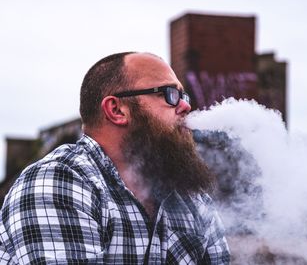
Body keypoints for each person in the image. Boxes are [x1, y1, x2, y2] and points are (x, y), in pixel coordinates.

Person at [0, 52, 230, 264]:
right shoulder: (58, 182)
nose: (186, 106)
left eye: (184, 95)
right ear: (117, 110)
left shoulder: (192, 201)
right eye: (170, 94)